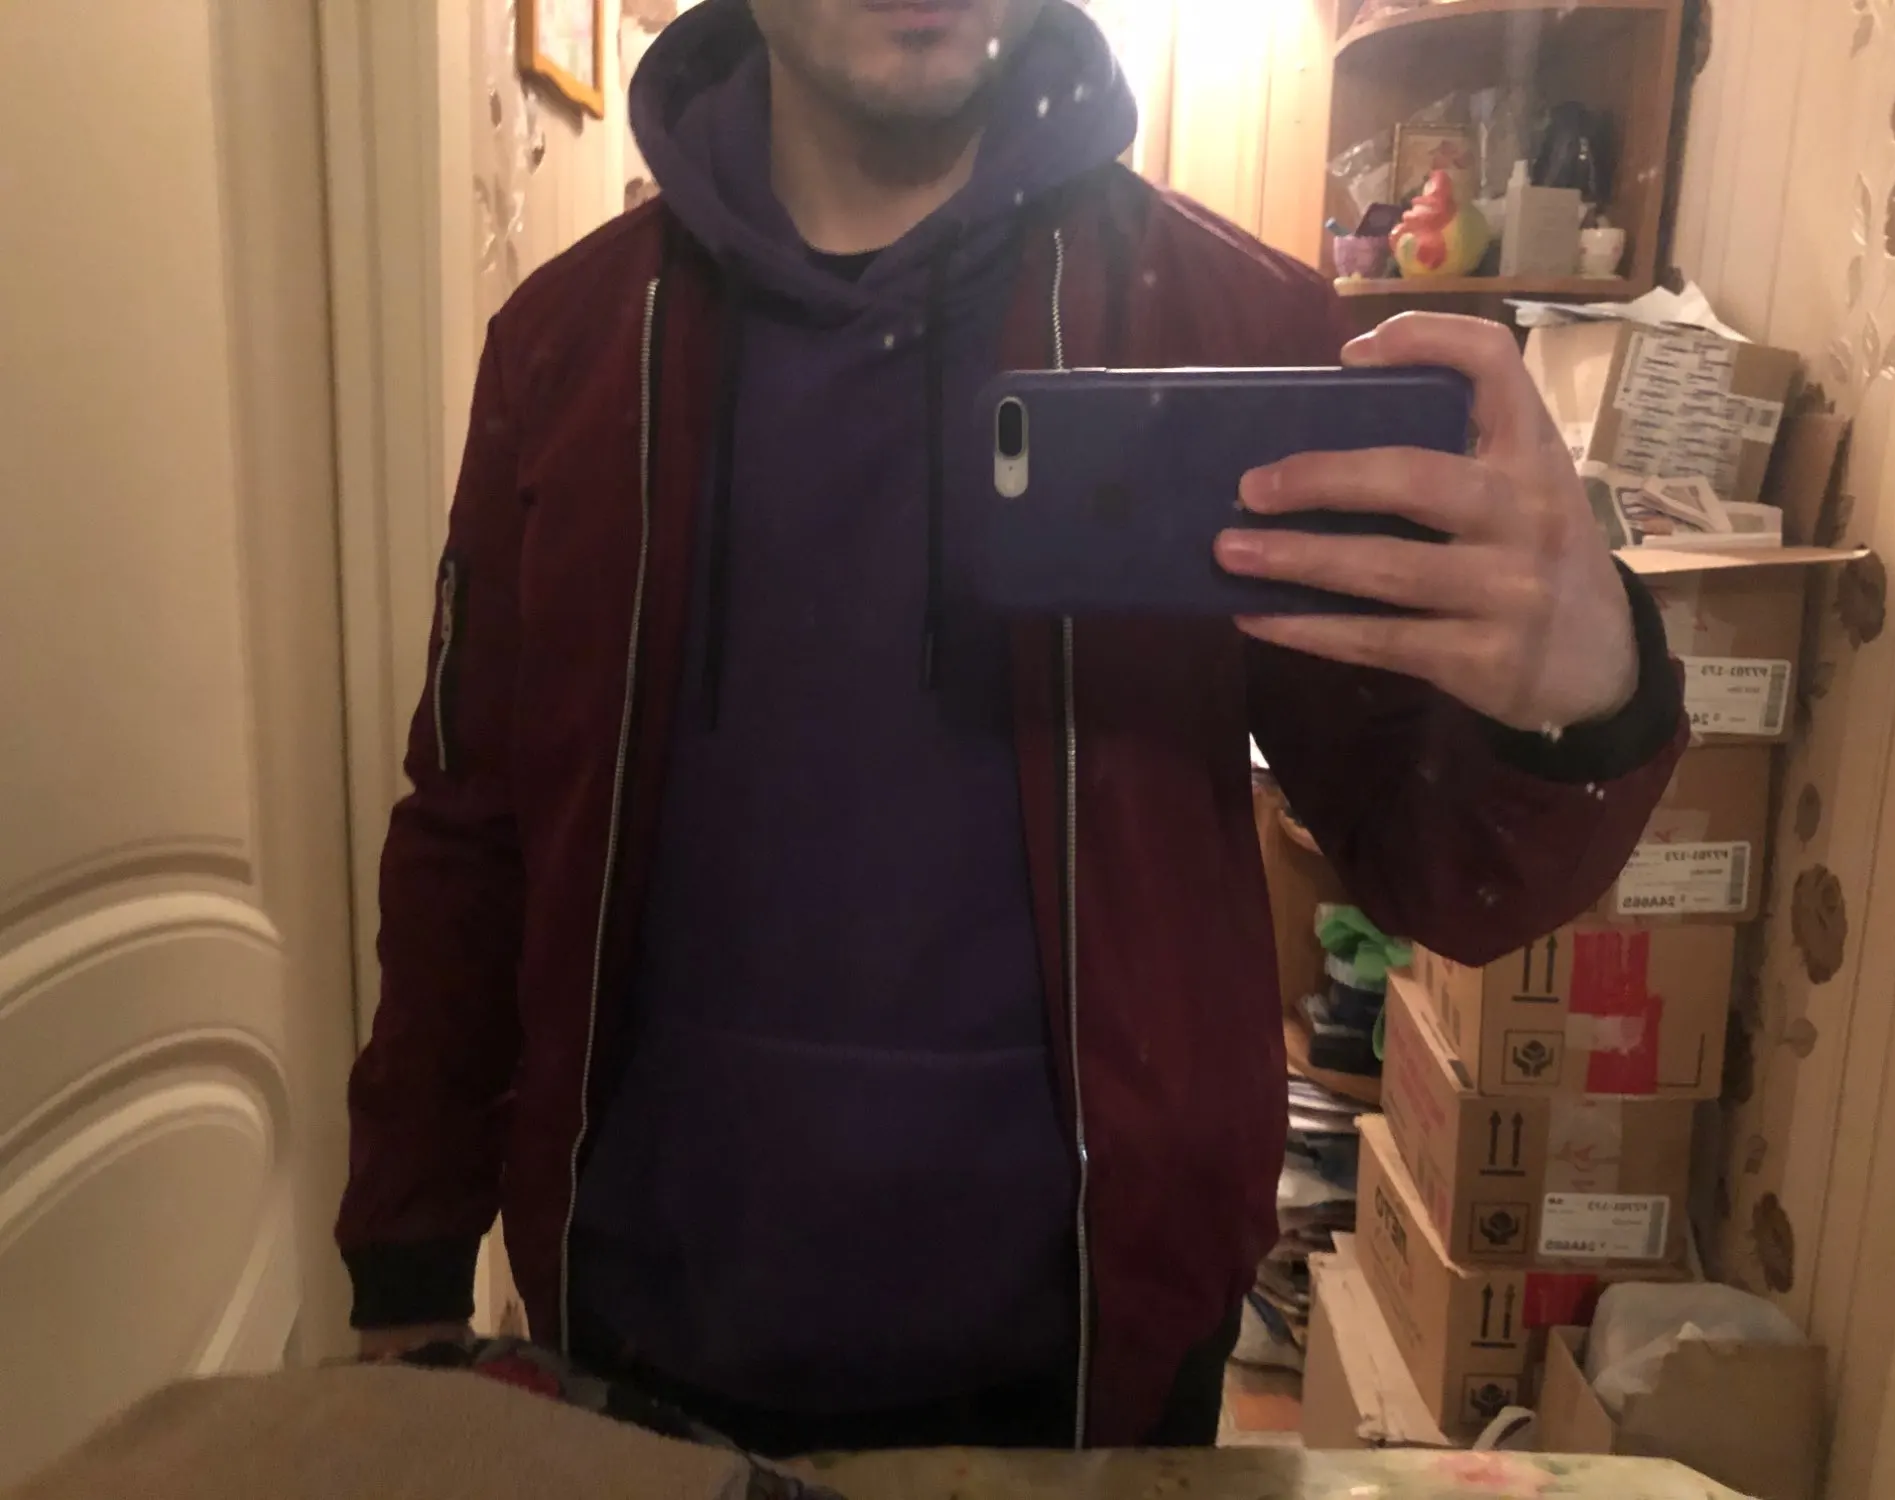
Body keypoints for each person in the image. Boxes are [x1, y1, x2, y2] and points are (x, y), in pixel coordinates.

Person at [336, 0, 1686, 1458]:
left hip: (1100, 1361)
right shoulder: (564, 348)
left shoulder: (1245, 330)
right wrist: (408, 1263)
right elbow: (467, 832)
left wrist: (1588, 699)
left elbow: (1444, 877)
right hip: (634, 1340)